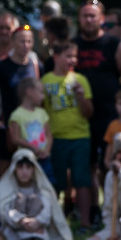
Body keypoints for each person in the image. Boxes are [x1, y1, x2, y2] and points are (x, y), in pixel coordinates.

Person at [73, 0, 121, 182]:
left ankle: (109, 207)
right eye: (85, 16)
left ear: (101, 19)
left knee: (109, 163)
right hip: (79, 117)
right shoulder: (72, 46)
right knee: (84, 166)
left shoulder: (114, 45)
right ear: (79, 19)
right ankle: (87, 208)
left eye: (92, 16)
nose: (89, 20)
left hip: (109, 115)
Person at [42, 41, 94, 229]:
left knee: (82, 180)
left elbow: (89, 112)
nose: (72, 60)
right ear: (56, 57)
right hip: (56, 138)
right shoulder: (45, 81)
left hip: (80, 137)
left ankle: (85, 223)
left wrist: (80, 96)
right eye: (68, 56)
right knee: (56, 181)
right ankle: (53, 222)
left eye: (74, 56)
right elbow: (41, 111)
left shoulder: (80, 80)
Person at [0, 21, 38, 184]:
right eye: (22, 41)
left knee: (28, 175)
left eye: (29, 41)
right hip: (7, 129)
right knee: (5, 176)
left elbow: (37, 94)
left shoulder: (33, 64)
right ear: (13, 43)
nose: (25, 45)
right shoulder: (2, 67)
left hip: (29, 129)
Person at [0, 148, 72, 240]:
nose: (24, 172)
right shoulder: (7, 188)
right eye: (20, 167)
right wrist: (21, 220)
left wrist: (38, 221)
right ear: (14, 169)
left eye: (28, 167)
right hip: (16, 228)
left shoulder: (41, 188)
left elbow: (47, 208)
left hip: (38, 227)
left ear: (34, 169)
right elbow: (6, 212)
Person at [7, 77, 53, 181]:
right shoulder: (17, 115)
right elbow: (15, 139)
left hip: (44, 158)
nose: (43, 96)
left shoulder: (42, 113)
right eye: (40, 92)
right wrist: (32, 148)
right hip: (26, 161)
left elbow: (49, 135)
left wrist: (46, 150)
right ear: (29, 92)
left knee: (48, 181)